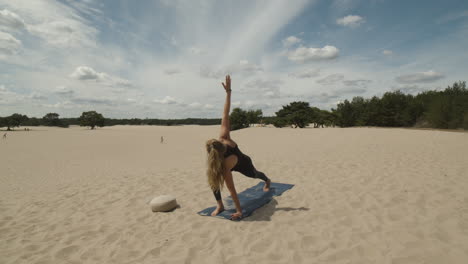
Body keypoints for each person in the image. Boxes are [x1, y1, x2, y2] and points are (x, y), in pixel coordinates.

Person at [205, 75, 271, 220]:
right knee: (213, 178)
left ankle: (267, 180)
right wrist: (228, 93)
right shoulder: (215, 154)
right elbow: (225, 114)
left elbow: (231, 189)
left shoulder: (225, 140)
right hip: (224, 164)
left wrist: (239, 211)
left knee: (254, 174)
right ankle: (220, 205)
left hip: (243, 163)